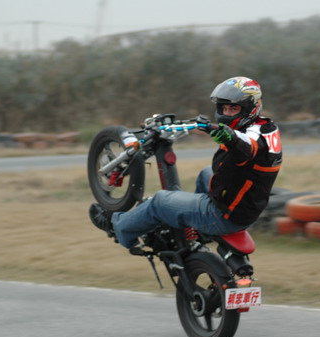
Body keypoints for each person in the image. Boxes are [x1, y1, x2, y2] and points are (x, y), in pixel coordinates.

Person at [89, 76, 283, 248]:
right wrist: (210, 128)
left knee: (159, 201)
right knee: (206, 173)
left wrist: (229, 137)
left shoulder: (247, 142)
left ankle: (118, 227)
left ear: (250, 108)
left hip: (225, 215)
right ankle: (193, 230)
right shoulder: (266, 127)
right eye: (224, 108)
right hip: (246, 206)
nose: (227, 113)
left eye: (233, 108)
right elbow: (247, 142)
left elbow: (247, 147)